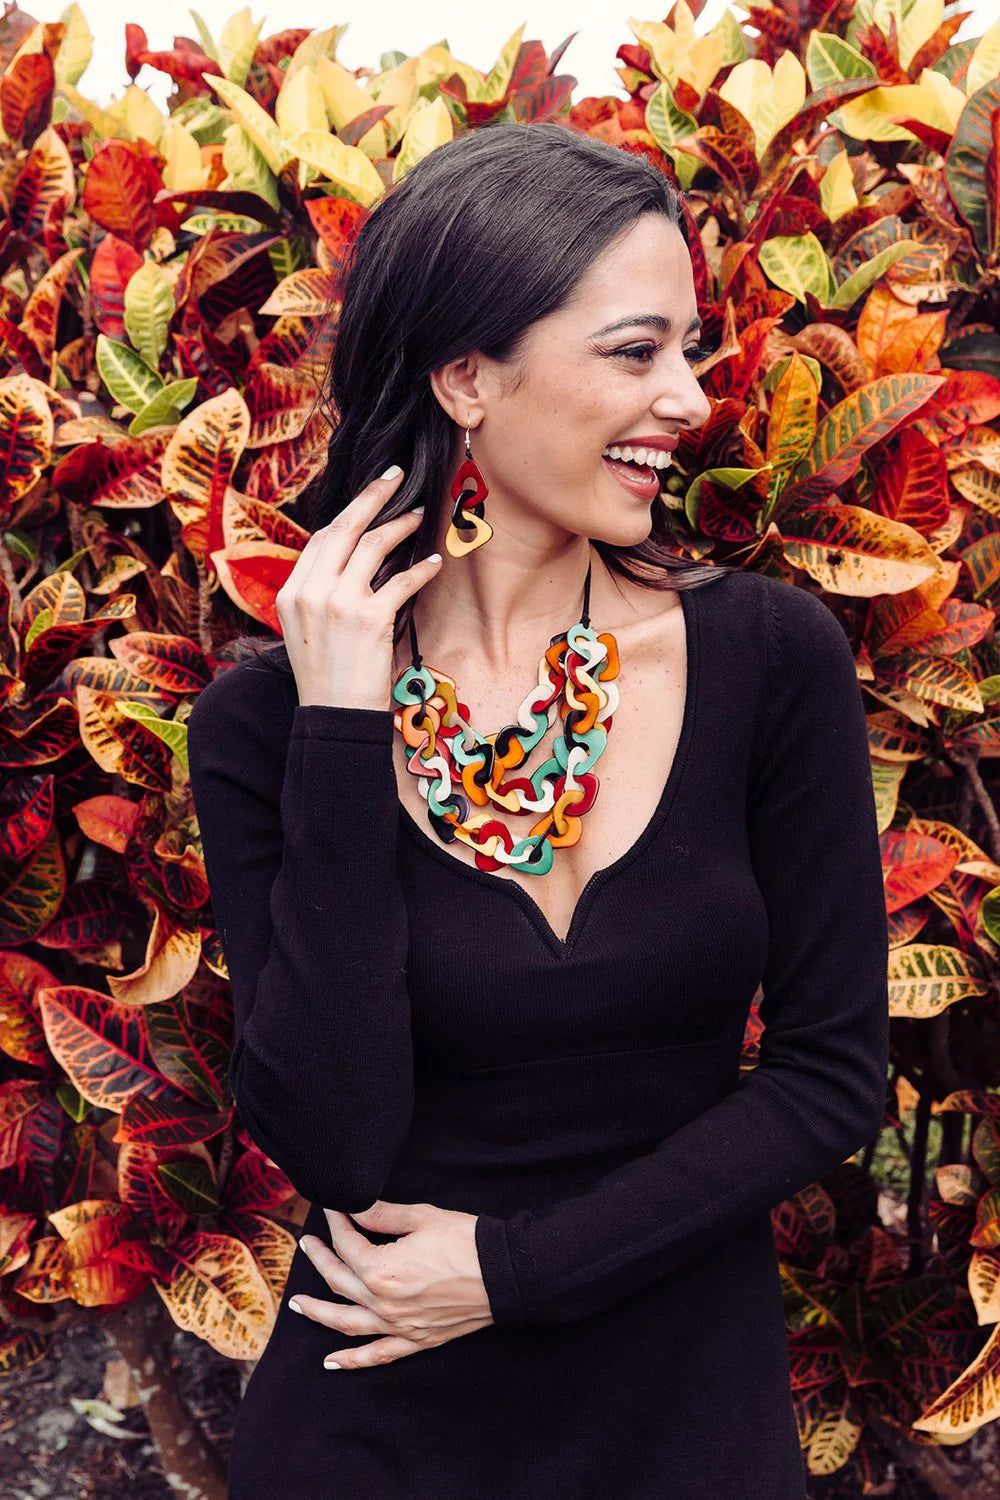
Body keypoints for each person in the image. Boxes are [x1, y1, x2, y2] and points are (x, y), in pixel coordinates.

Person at [187, 121, 889, 1499]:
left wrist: (515, 1272)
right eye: (635, 353)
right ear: (467, 377)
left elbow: (831, 1077)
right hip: (376, 1427)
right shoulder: (270, 722)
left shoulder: (769, 658)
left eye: (686, 350)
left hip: (689, 1418)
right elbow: (330, 1135)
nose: (688, 399)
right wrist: (339, 726)